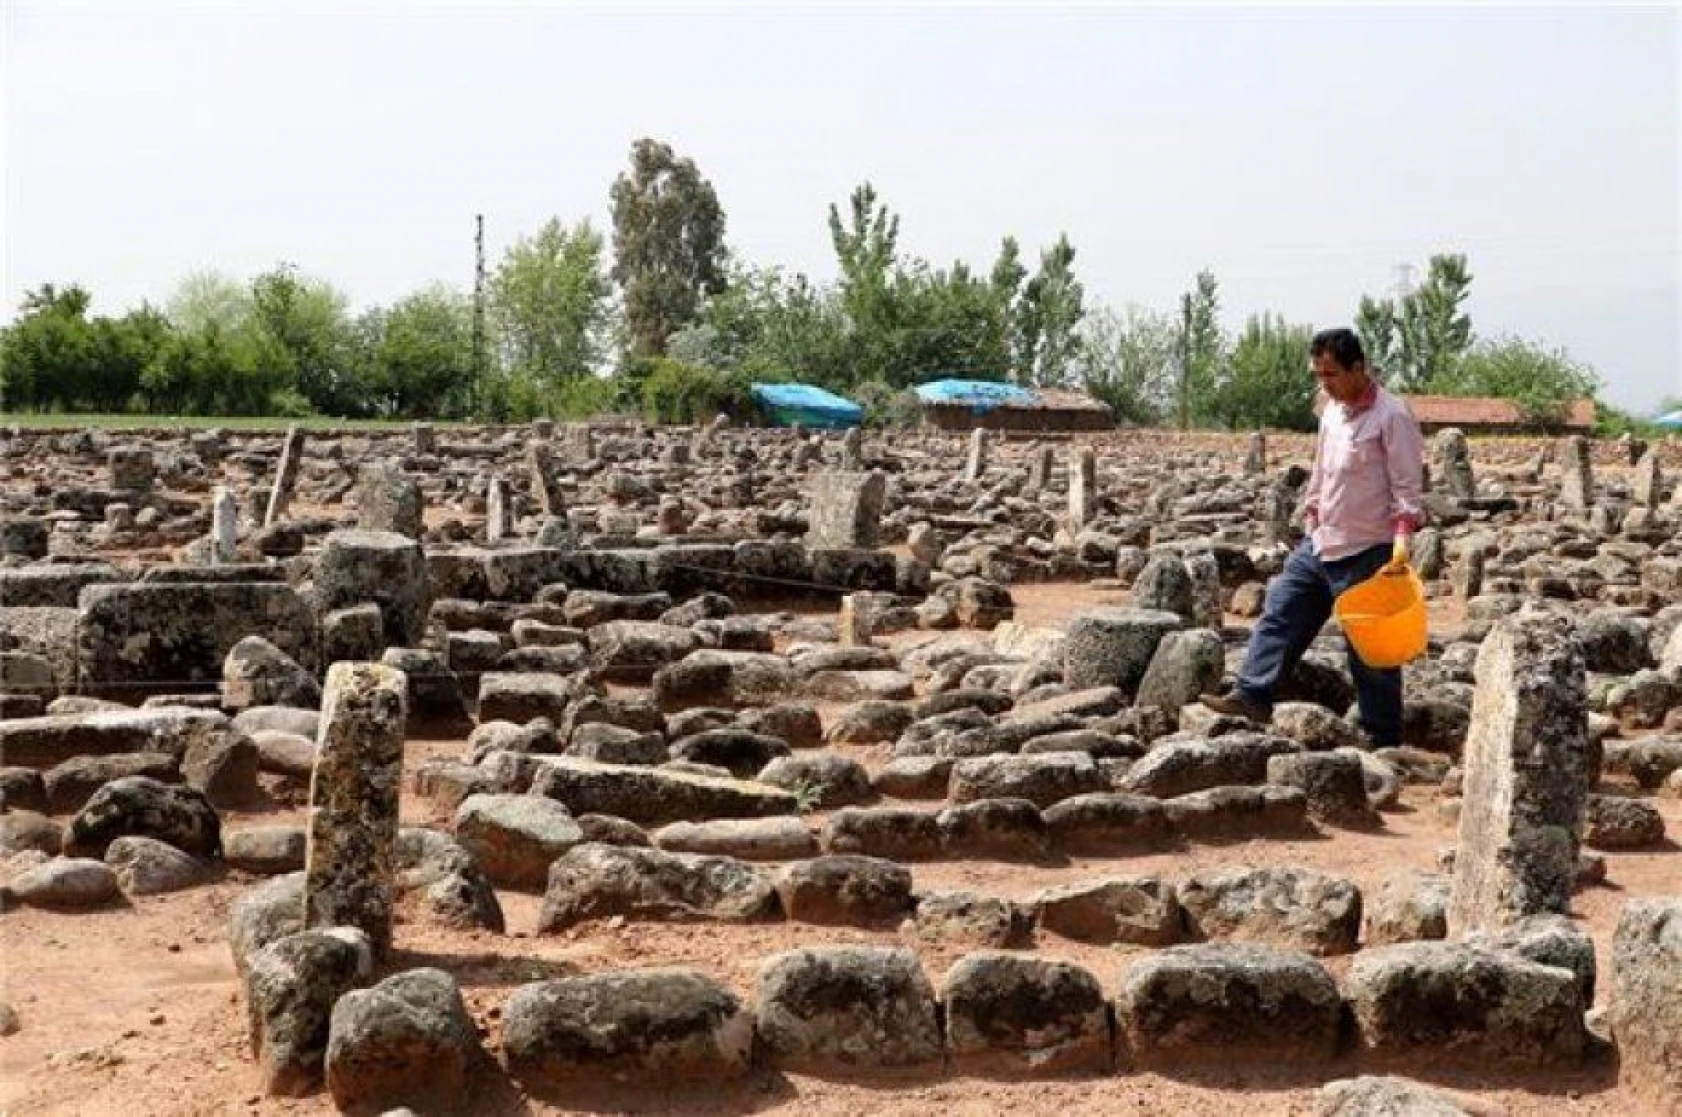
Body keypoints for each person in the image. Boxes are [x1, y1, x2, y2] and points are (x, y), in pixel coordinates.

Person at [1200, 327, 1425, 747]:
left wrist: (1403, 536)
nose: (1325, 383)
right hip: (1322, 541)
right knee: (1281, 611)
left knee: (1368, 647)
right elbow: (1321, 471)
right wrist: (1311, 516)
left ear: (1358, 368)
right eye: (1319, 375)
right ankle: (1252, 694)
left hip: (1369, 545)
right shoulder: (1332, 412)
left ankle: (1383, 736)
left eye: (1332, 374)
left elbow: (1407, 483)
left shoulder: (1392, 416)